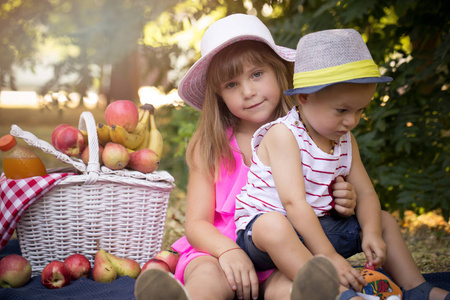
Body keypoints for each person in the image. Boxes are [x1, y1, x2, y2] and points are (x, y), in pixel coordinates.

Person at [134, 14, 359, 300]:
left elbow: (318, 199)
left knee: (294, 286)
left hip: (282, 252)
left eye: (256, 74)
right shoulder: (211, 145)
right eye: (231, 85)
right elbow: (197, 223)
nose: (248, 92)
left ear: (278, 71)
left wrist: (343, 200)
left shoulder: (308, 134)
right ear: (219, 95)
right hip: (219, 249)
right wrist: (228, 251)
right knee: (206, 276)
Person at [234, 28, 450, 300]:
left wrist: (371, 232)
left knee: (382, 219)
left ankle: (418, 289)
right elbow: (294, 205)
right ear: (304, 98)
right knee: (273, 225)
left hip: (318, 227)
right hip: (265, 240)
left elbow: (367, 193)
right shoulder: (284, 135)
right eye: (342, 110)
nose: (352, 121)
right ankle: (335, 292)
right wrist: (329, 256)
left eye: (360, 110)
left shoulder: (345, 138)